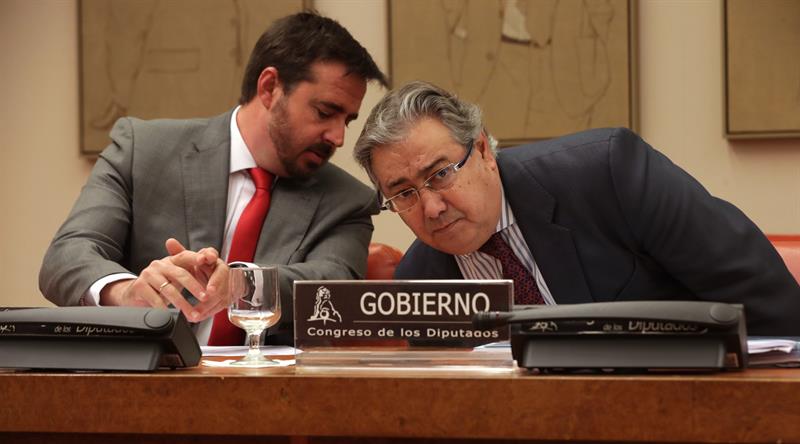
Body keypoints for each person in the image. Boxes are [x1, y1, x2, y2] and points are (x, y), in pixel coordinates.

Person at [39, 12, 388, 345]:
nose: (338, 137)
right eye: (325, 112)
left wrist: (241, 283)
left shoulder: (347, 200)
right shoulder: (142, 151)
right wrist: (126, 293)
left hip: (266, 395)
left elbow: (333, 287)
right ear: (269, 88)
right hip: (137, 384)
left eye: (348, 120)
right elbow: (67, 255)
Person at [353, 81, 800, 336]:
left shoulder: (609, 173)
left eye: (441, 174)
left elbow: (763, 297)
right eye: (404, 194)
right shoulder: (421, 282)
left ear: (485, 151)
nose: (430, 208)